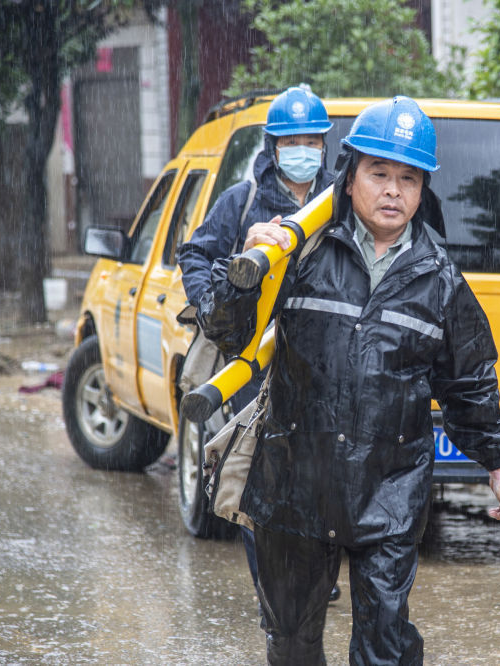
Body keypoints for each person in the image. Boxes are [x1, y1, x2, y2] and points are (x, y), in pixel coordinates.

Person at [198, 96, 500, 665]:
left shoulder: (440, 281)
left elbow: (470, 384)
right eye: (379, 173)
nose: (393, 191)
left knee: (385, 647)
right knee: (292, 642)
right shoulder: (296, 252)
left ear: (423, 191)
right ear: (349, 179)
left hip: (389, 488)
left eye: (408, 178)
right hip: (294, 482)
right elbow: (227, 332)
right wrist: (244, 271)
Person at [176, 86, 337, 602]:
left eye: (312, 141)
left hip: (321, 363)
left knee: (319, 474)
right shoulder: (241, 202)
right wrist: (213, 301)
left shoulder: (339, 199)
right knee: (256, 472)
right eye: (292, 141)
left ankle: (314, 579)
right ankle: (271, 587)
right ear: (272, 147)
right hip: (253, 364)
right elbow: (195, 254)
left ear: (324, 146)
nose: (303, 151)